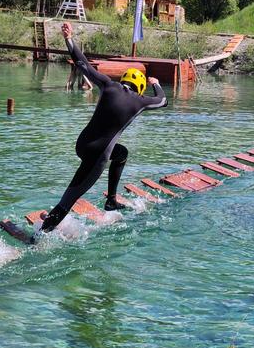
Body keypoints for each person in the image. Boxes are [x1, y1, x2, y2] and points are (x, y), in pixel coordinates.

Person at [39, 22, 168, 233]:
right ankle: (38, 239)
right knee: (67, 201)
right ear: (140, 87)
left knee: (121, 153)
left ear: (123, 79)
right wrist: (156, 83)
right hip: (97, 157)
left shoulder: (108, 85)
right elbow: (163, 101)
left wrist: (68, 38)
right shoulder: (140, 101)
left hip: (81, 145)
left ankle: (111, 200)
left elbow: (83, 65)